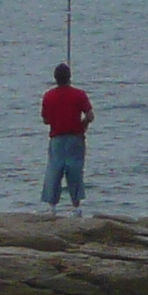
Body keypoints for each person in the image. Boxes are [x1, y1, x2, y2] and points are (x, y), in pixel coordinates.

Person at [41, 63, 93, 213]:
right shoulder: (79, 94)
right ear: (69, 77)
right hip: (75, 138)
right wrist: (82, 125)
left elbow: (46, 120)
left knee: (54, 171)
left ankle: (52, 207)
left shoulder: (48, 96)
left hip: (57, 139)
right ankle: (76, 207)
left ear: (55, 78)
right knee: (75, 171)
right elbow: (90, 116)